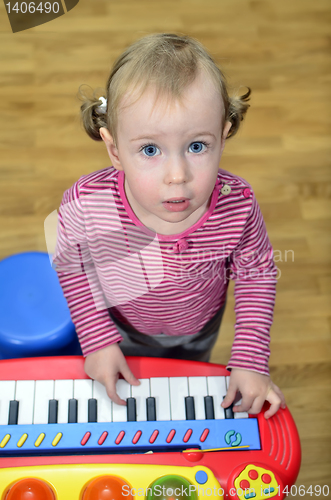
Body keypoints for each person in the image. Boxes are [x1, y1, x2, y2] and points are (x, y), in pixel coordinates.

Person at [54, 33, 286, 419]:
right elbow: (71, 265)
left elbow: (257, 274)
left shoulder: (238, 204)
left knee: (186, 386)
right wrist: (96, 340)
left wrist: (250, 359)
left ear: (223, 137)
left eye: (197, 146)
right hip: (121, 326)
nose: (177, 175)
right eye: (150, 150)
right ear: (114, 149)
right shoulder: (86, 204)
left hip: (199, 326)